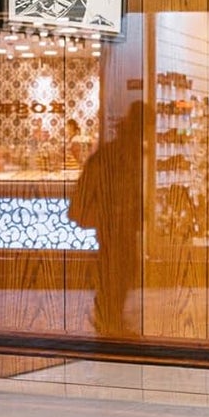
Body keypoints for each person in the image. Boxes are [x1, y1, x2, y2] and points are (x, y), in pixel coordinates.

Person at [67, 102, 145, 336]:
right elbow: (119, 190)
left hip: (116, 222)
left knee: (120, 270)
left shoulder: (118, 152)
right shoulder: (119, 155)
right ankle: (108, 319)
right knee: (117, 270)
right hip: (114, 223)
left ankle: (109, 317)